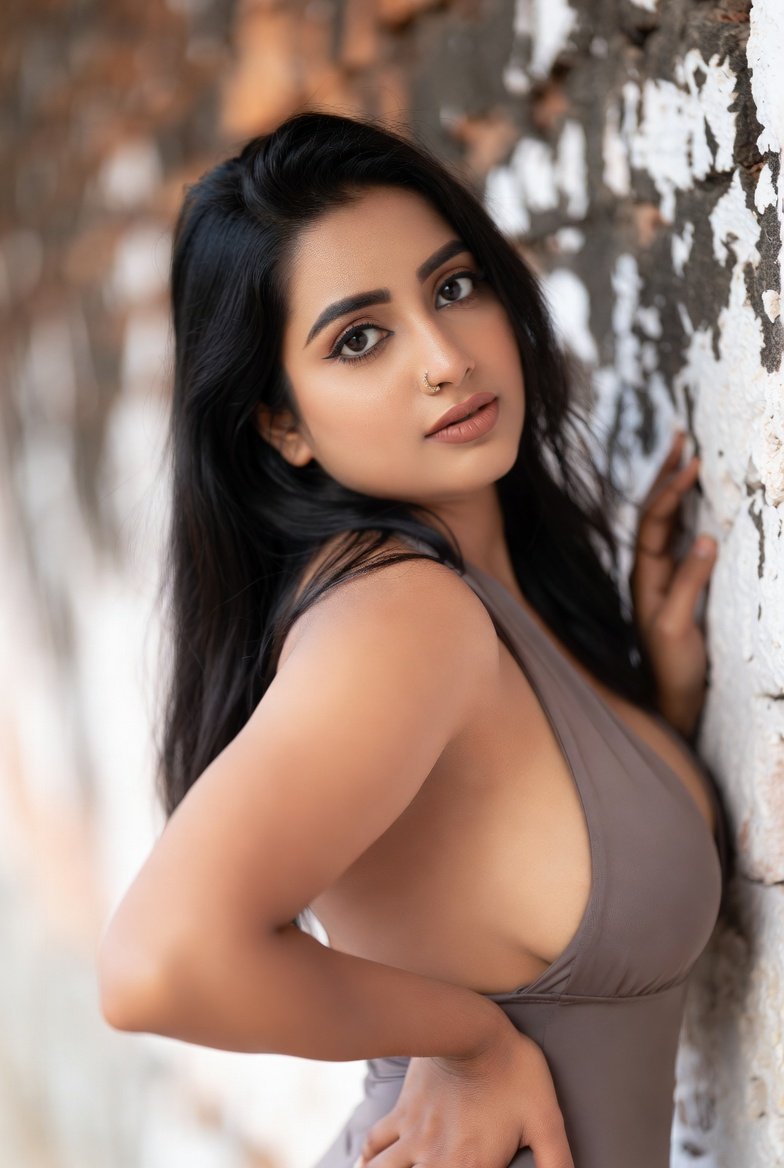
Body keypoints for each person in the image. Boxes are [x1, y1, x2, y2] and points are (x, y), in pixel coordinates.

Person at [97, 109, 730, 1168]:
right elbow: (157, 962)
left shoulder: (477, 604)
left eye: (451, 287)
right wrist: (470, 1037)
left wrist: (649, 716)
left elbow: (534, 884)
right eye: (358, 337)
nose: (443, 357)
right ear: (279, 423)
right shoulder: (406, 614)